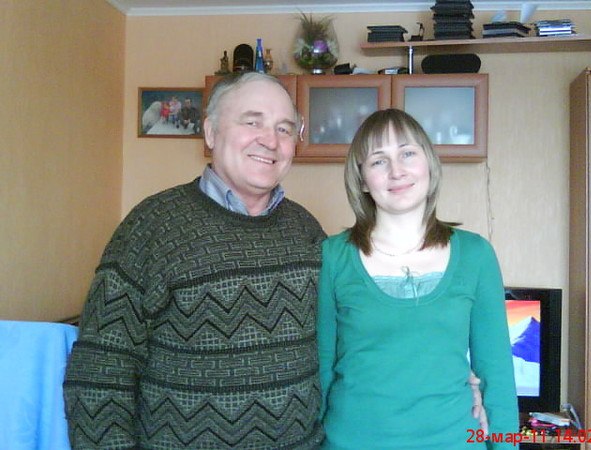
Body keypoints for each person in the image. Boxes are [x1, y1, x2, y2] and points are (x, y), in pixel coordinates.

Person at [63, 72, 326, 449]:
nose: (270, 140)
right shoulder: (152, 225)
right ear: (210, 133)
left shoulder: (306, 228)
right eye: (252, 122)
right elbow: (99, 372)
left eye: (284, 129)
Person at [317, 109, 518, 449]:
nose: (397, 170)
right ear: (362, 179)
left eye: (407, 153)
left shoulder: (476, 255)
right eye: (378, 161)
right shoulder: (332, 256)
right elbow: (321, 371)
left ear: (429, 164)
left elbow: (497, 375)